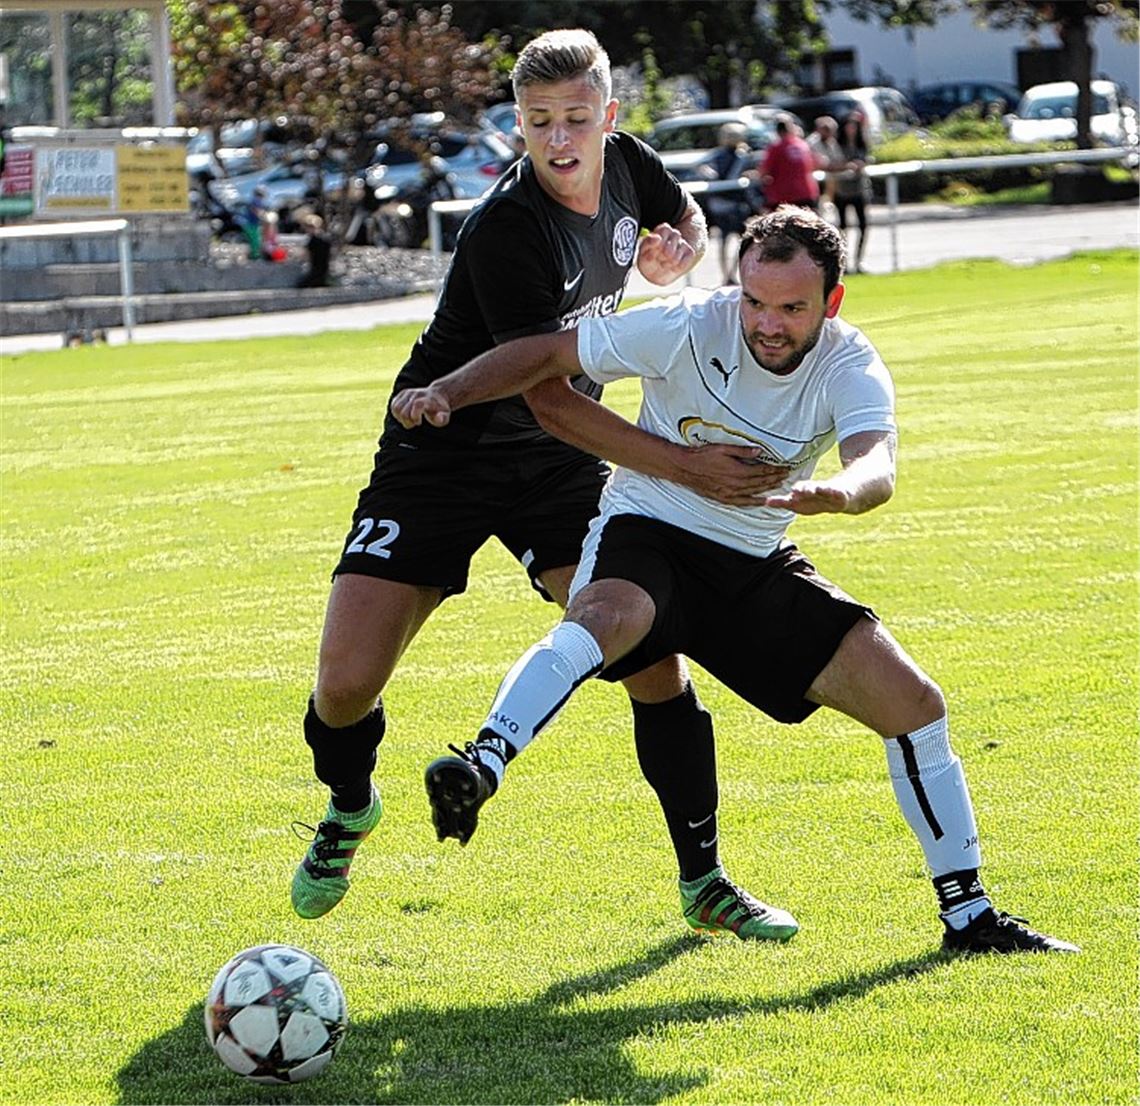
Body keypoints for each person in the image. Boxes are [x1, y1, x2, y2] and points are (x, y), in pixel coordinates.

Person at [392, 206, 1080, 955]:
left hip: (753, 561)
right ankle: (484, 762)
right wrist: (449, 391)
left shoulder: (850, 362)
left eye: (792, 308)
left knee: (915, 706)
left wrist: (840, 492)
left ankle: (968, 915)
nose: (769, 324)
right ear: (737, 287)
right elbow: (545, 355)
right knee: (604, 614)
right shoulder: (689, 322)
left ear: (831, 303)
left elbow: (877, 462)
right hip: (647, 530)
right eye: (755, 301)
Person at [290, 28, 782, 929]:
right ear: (517, 123)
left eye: (576, 119)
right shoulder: (509, 230)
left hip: (553, 469)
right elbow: (550, 396)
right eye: (539, 122)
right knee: (346, 684)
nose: (560, 140)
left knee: (648, 655)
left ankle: (704, 883)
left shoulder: (630, 164)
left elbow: (688, 219)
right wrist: (683, 471)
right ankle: (351, 805)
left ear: (609, 117)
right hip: (440, 449)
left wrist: (677, 248)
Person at [703, 122, 755, 285]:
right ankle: (732, 274)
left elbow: (704, 169)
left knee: (724, 242)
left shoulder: (715, 156)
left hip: (718, 204)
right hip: (735, 205)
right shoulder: (742, 156)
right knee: (742, 242)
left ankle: (727, 275)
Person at [758, 115, 819, 214]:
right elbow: (814, 164)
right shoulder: (803, 145)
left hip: (783, 196)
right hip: (807, 192)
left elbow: (764, 171)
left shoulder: (776, 148)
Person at [836, 111, 873, 273]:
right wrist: (845, 166)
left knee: (863, 225)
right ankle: (843, 263)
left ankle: (858, 261)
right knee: (842, 227)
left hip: (859, 189)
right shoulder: (837, 145)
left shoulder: (861, 145)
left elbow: (867, 158)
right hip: (842, 190)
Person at [806, 115, 843, 216]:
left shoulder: (832, 142)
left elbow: (838, 159)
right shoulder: (811, 143)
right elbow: (819, 163)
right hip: (816, 183)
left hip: (829, 181)